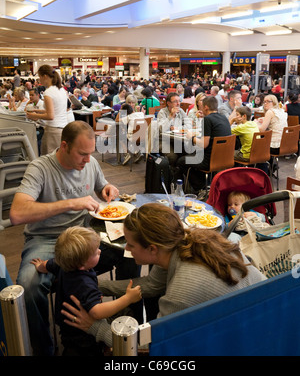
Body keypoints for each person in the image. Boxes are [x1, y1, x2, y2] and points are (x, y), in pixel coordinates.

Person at [61, 203, 266, 348]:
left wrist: (96, 327)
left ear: (152, 249)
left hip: (248, 340)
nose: (127, 249)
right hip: (266, 314)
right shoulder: (184, 242)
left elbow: (152, 345)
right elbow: (151, 284)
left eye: (130, 244)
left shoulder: (180, 293)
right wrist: (96, 286)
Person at [9, 121, 120, 356]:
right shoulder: (40, 168)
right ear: (64, 146)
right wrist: (71, 203)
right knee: (29, 286)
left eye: (91, 153)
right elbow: (17, 213)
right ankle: (44, 349)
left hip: (85, 233)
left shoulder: (90, 162)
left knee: (128, 251)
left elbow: (101, 188)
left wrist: (108, 188)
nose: (88, 160)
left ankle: (119, 331)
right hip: (47, 238)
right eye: (82, 154)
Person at [30, 226, 141, 356]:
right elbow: (96, 312)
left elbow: (47, 265)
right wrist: (127, 298)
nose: (100, 251)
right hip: (83, 334)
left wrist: (39, 266)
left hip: (67, 328)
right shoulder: (84, 284)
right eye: (95, 252)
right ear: (82, 265)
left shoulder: (64, 263)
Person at [175, 96, 231, 193]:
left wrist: (191, 137)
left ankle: (200, 188)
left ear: (206, 107)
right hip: (224, 159)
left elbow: (204, 144)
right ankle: (205, 186)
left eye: (201, 107)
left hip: (209, 161)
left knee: (181, 161)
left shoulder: (208, 120)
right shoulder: (224, 118)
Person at [26, 64, 69, 155]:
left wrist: (34, 115)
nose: (39, 80)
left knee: (50, 160)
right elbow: (55, 110)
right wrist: (38, 111)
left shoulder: (48, 92)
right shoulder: (61, 90)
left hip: (53, 130)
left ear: (45, 76)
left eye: (40, 77)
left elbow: (50, 115)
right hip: (62, 129)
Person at [156, 92, 188, 166]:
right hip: (163, 140)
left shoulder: (181, 111)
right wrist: (171, 116)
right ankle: (169, 175)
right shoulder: (162, 112)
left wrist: (178, 128)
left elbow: (189, 125)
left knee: (188, 153)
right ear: (168, 103)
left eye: (179, 101)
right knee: (172, 157)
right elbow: (162, 129)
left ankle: (180, 173)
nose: (178, 103)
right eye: (175, 101)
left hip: (177, 140)